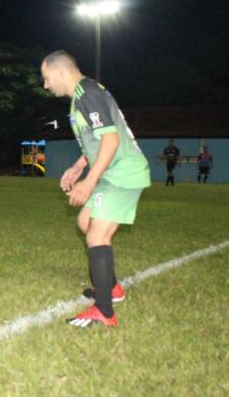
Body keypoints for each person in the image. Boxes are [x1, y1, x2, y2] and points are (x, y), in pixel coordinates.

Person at [41, 51, 150, 328]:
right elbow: (98, 140)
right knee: (85, 222)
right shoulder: (82, 94)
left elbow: (111, 141)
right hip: (114, 170)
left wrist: (89, 182)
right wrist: (79, 166)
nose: (46, 85)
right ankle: (111, 289)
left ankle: (104, 311)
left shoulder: (87, 94)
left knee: (97, 235)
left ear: (61, 72)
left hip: (123, 172)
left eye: (46, 78)